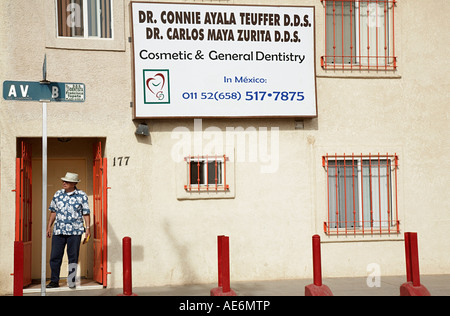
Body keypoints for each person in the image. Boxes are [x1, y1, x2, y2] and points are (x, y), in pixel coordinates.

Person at [46, 172, 91, 289]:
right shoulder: (58, 194)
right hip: (59, 231)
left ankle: (71, 281)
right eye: (63, 181)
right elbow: (53, 211)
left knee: (73, 257)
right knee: (55, 257)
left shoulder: (82, 195)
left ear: (74, 183)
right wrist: (49, 227)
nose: (64, 183)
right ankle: (54, 281)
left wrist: (88, 228)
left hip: (75, 232)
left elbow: (86, 213)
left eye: (67, 181)